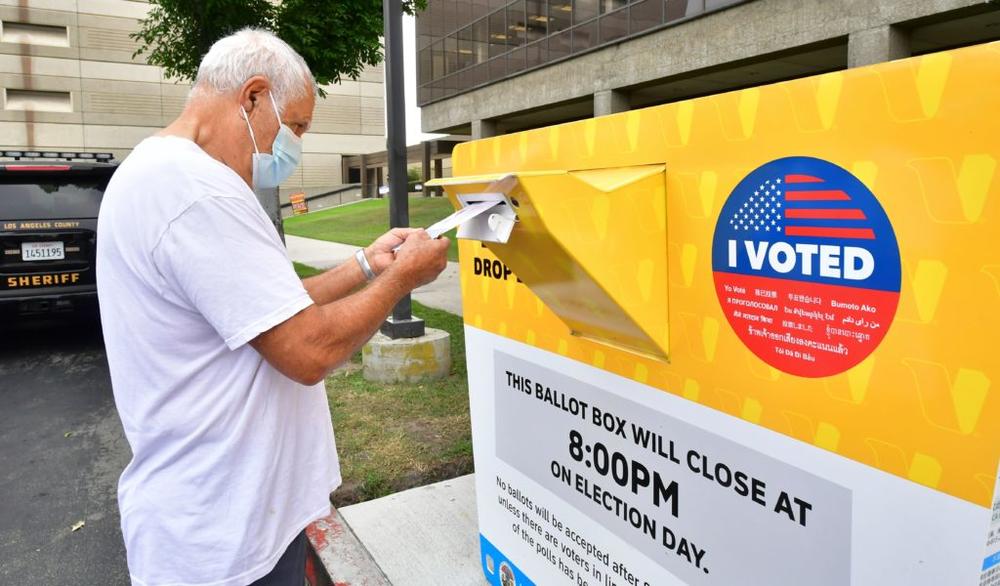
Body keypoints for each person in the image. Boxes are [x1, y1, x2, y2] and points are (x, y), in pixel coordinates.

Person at [96, 29, 448, 586]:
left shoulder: (161, 173)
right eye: (298, 127)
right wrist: (403, 278)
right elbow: (308, 348)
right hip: (224, 538)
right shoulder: (196, 191)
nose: (296, 147)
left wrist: (366, 265)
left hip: (231, 517)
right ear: (254, 96)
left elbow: (266, 311)